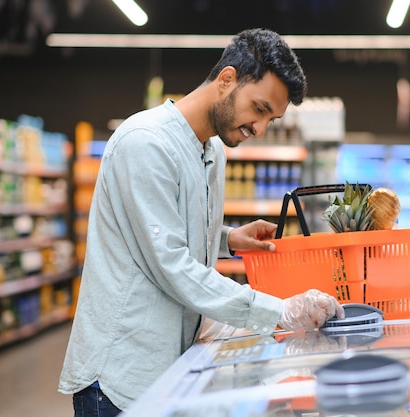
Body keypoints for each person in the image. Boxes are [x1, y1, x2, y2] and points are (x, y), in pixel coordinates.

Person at [58, 28, 344, 417]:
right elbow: (171, 264)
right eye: (259, 109)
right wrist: (277, 311)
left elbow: (168, 228)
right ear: (226, 80)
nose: (260, 129)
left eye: (271, 120)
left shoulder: (211, 151)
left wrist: (227, 238)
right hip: (119, 377)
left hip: (170, 364)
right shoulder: (146, 142)